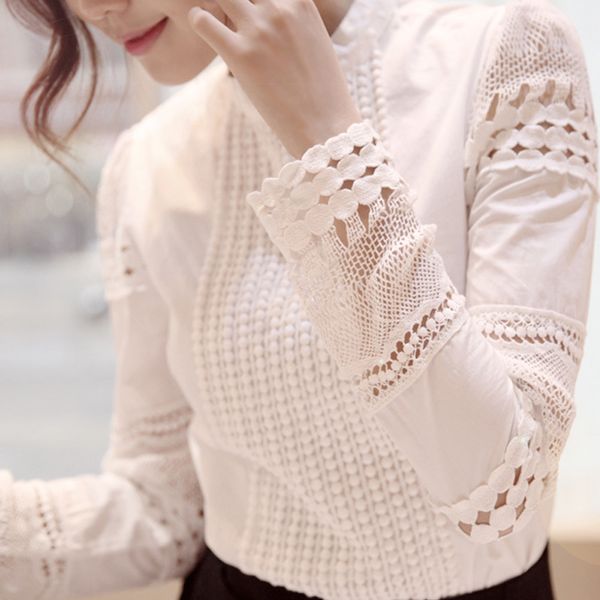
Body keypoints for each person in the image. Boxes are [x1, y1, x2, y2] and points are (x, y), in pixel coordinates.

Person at [1, 0, 597, 598]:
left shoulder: (508, 59)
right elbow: (166, 506)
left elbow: (504, 491)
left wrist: (326, 141)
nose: (94, 7)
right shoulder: (147, 161)